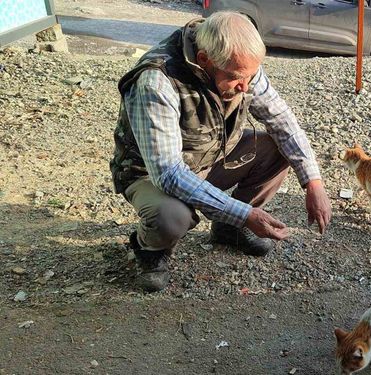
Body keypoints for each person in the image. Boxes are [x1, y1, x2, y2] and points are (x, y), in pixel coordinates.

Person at [110, 12, 332, 292]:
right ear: (205, 60)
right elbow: (167, 173)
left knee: (278, 148)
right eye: (237, 79)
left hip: (208, 153)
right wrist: (244, 213)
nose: (246, 87)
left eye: (251, 77)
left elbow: (282, 120)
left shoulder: (239, 65)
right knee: (173, 216)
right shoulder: (156, 82)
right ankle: (149, 249)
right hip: (149, 173)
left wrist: (313, 182)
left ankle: (228, 229)